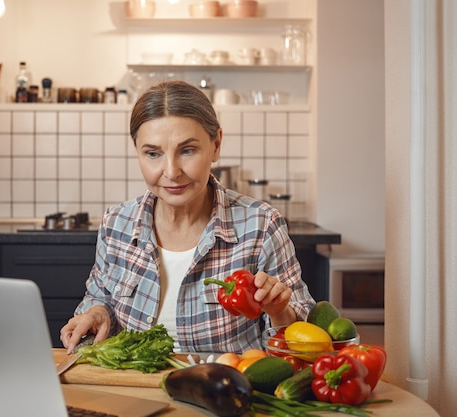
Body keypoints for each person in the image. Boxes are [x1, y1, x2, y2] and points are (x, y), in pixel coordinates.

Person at [61, 80, 315, 354]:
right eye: (153, 153)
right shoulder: (116, 224)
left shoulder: (261, 225)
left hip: (225, 392)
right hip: (133, 393)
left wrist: (280, 312)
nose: (171, 171)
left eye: (187, 150)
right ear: (137, 152)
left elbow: (304, 342)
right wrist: (98, 312)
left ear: (216, 145)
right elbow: (101, 297)